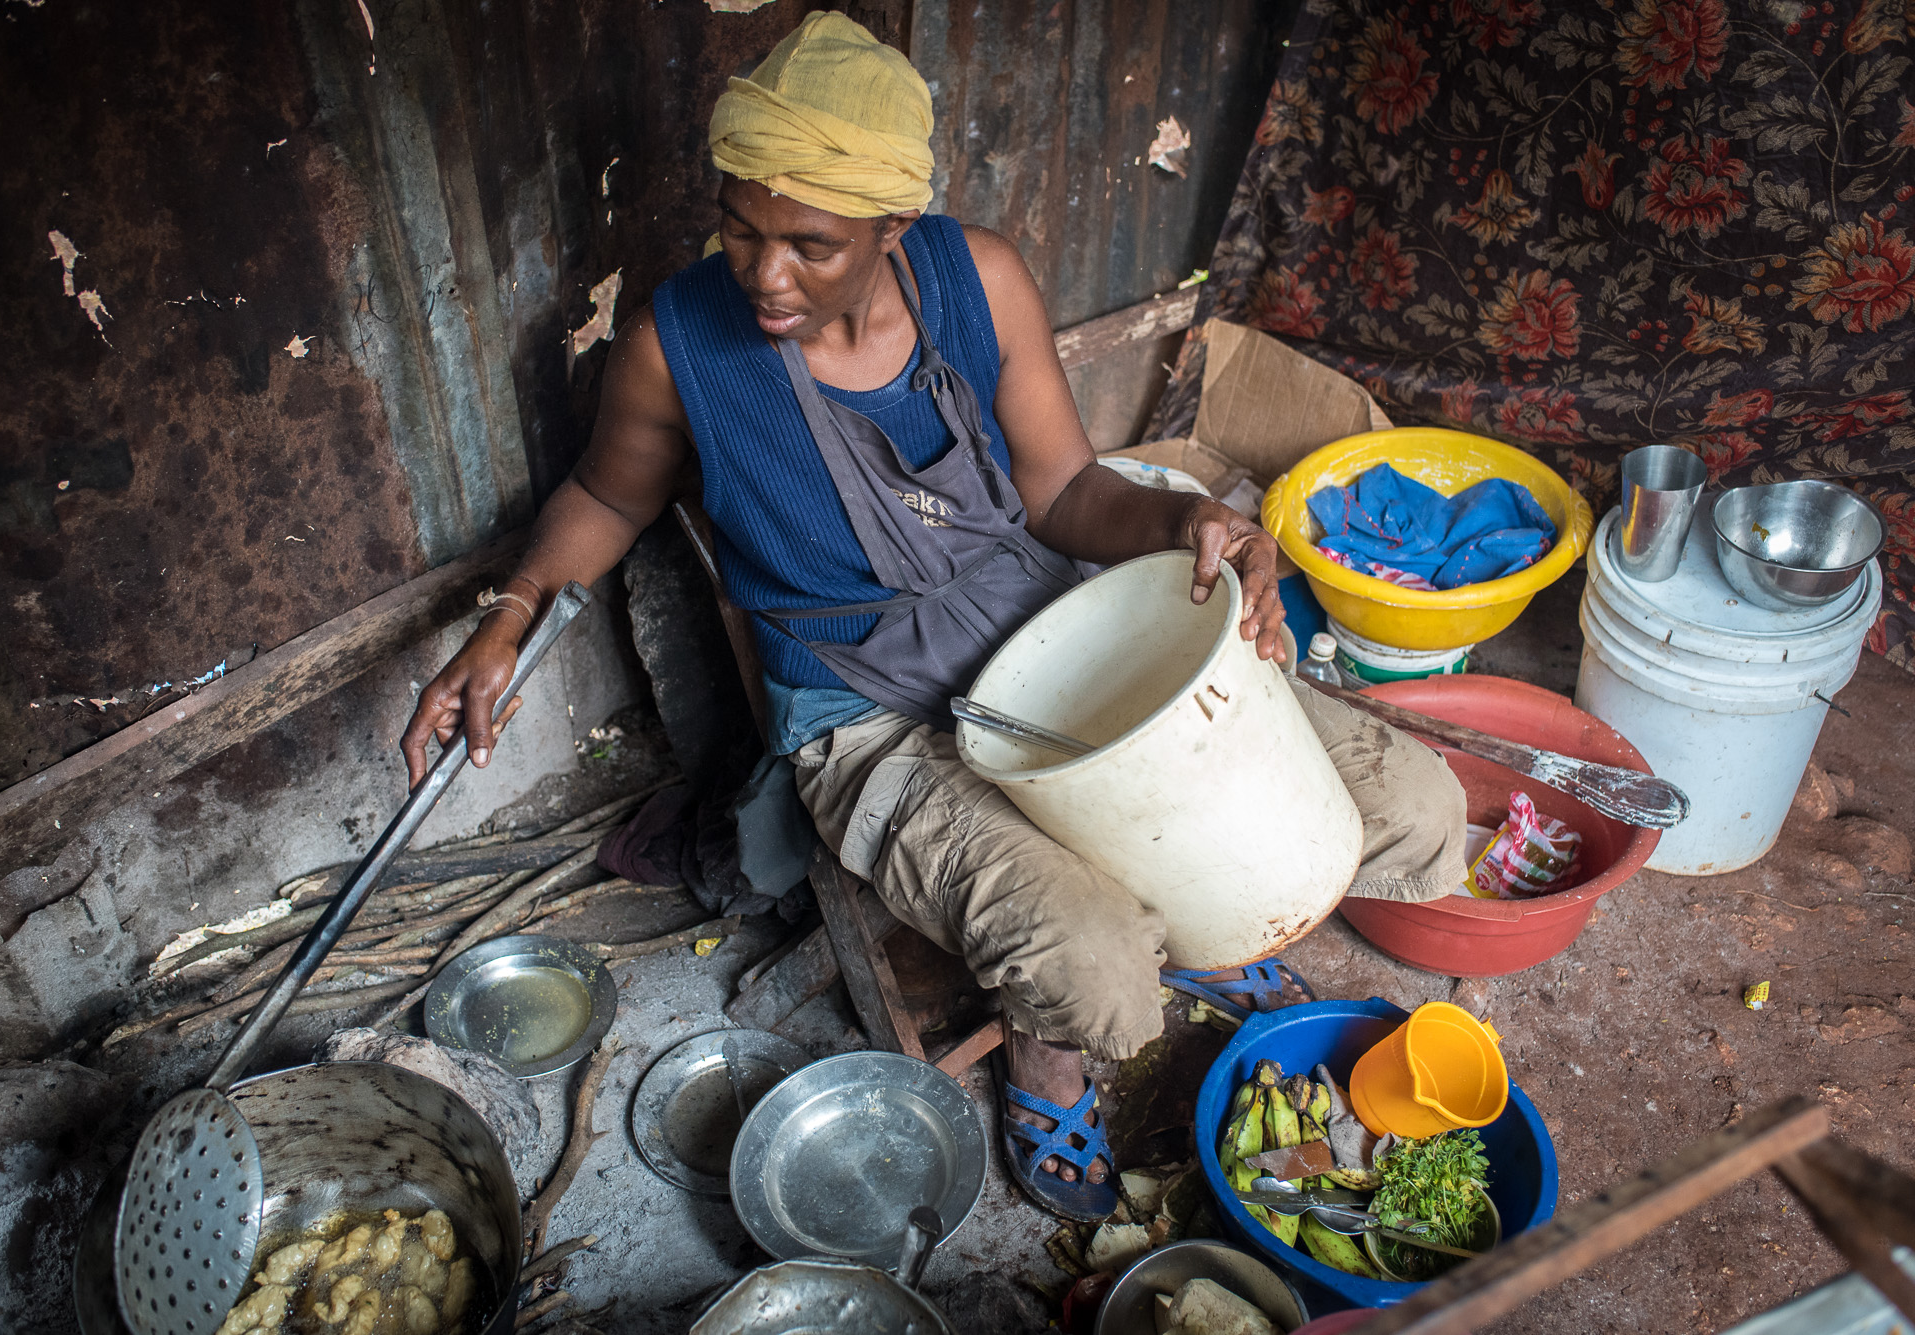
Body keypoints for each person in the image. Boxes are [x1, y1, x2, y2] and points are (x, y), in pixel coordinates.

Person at [400, 11, 1467, 1223]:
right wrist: (510, 610)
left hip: (1046, 628)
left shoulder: (979, 279)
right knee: (1097, 965)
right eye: (738, 228)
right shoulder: (675, 344)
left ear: (891, 229)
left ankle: (1202, 914)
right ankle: (1049, 1054)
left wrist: (1187, 529)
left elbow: (1064, 493)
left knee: (1409, 802)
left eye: (809, 243)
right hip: (863, 708)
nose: (764, 274)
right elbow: (602, 492)